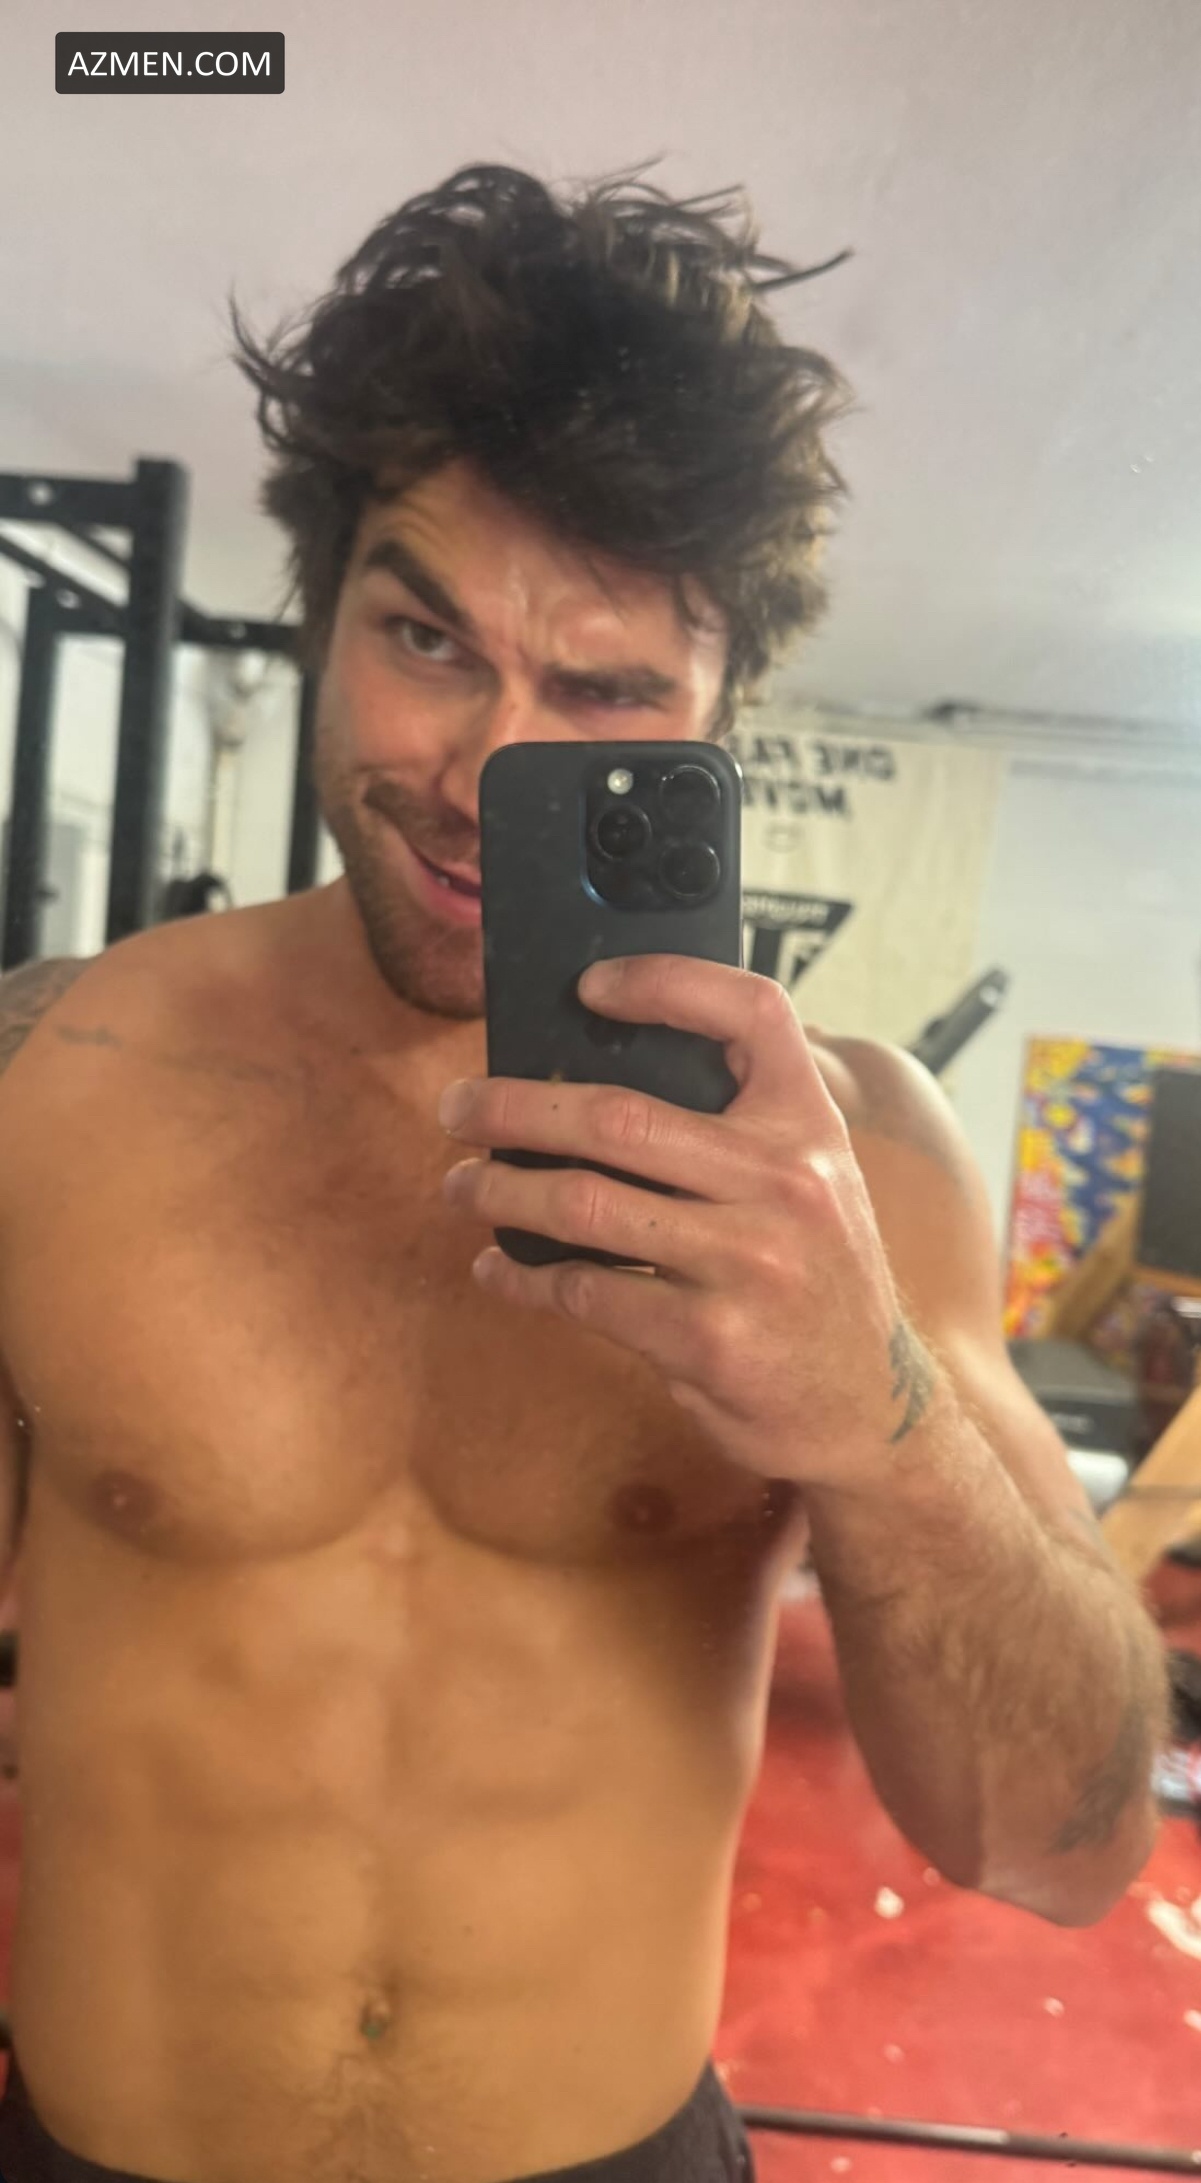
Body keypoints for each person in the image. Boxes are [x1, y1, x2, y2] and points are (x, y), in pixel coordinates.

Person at [0, 166, 1166, 2183]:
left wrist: (878, 1422)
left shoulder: (860, 1162)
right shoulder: (49, 1077)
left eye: (606, 689)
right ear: (321, 618)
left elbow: (1058, 1846)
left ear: (714, 721)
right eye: (425, 638)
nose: (481, 775)